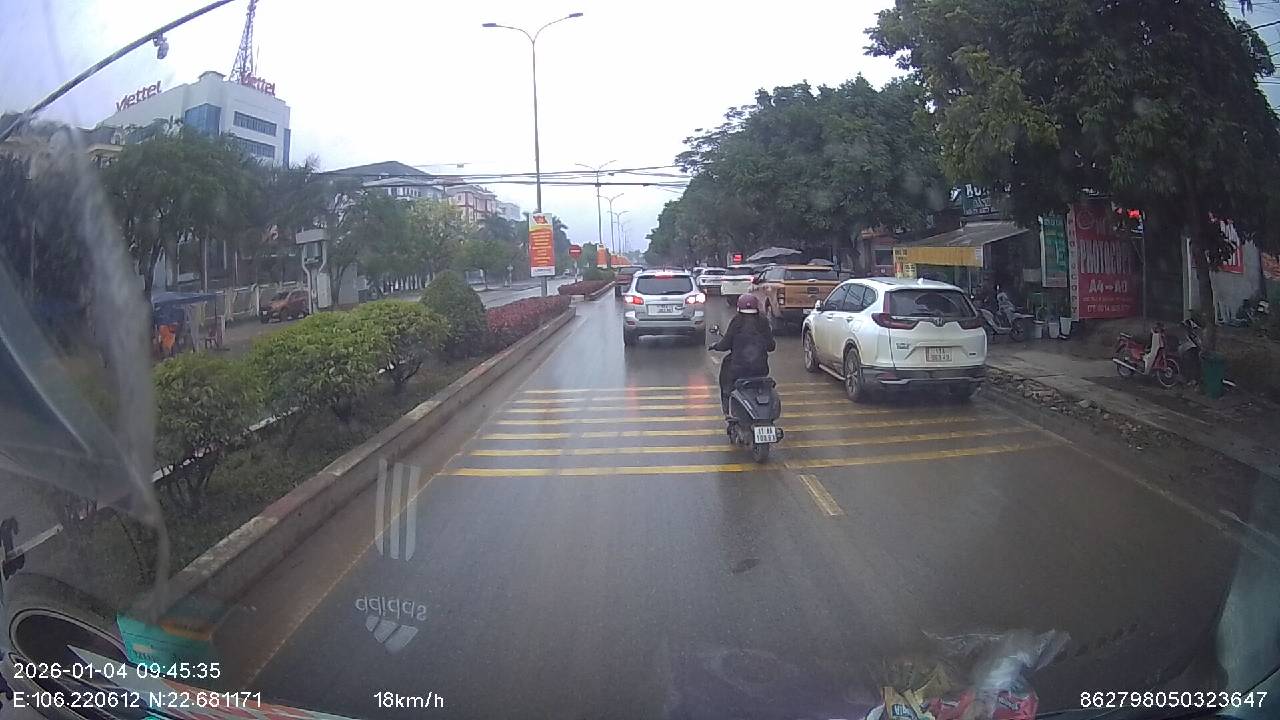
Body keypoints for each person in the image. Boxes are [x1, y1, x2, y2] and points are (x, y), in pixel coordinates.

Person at [709, 294, 776, 417]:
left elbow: (725, 344)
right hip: (761, 370)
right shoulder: (763, 321)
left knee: (726, 383)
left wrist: (715, 346)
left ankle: (727, 412)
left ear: (739, 308)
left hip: (739, 371)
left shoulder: (737, 321)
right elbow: (771, 346)